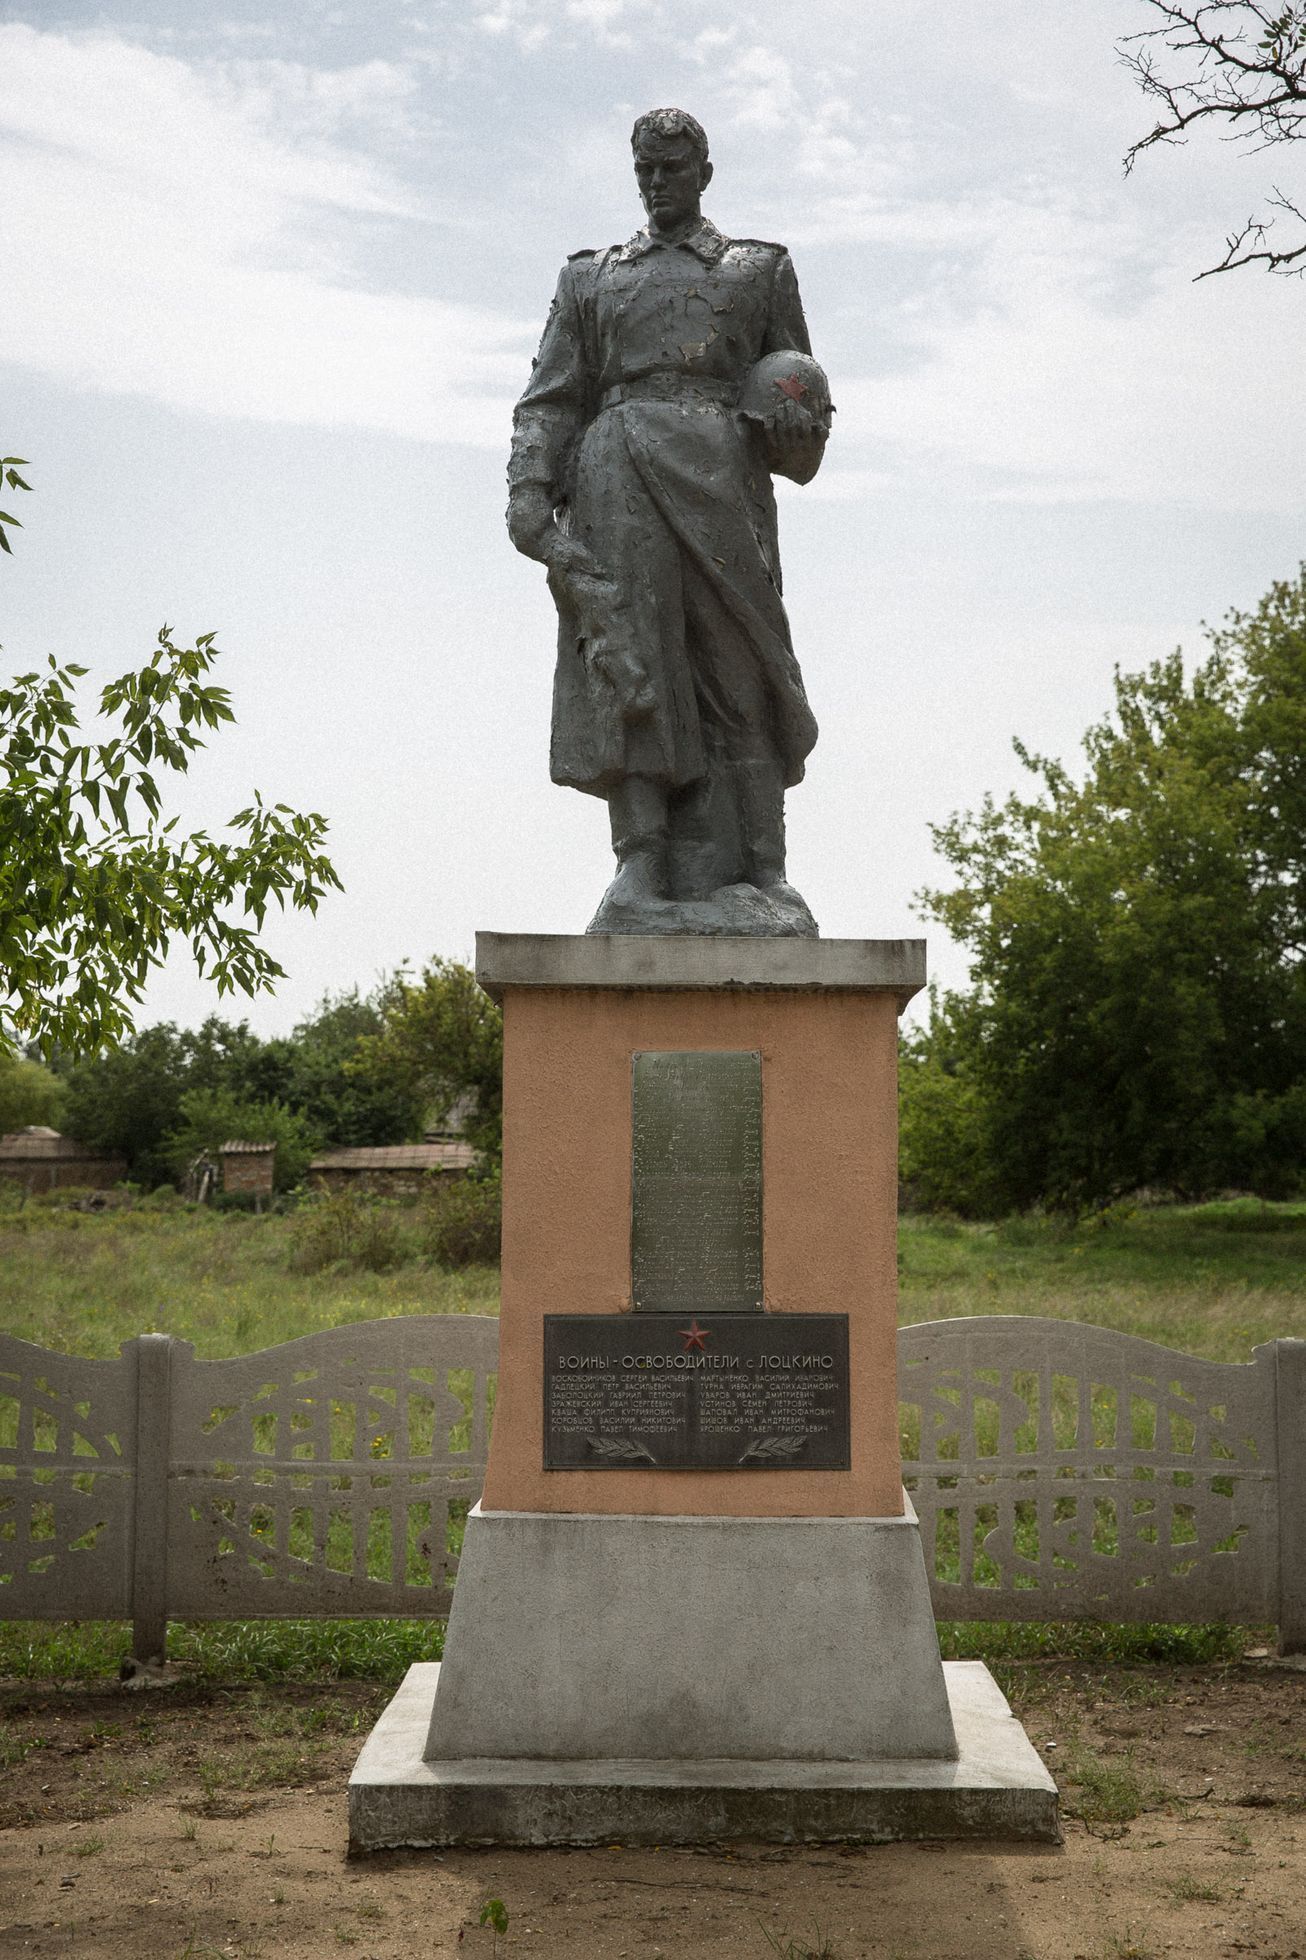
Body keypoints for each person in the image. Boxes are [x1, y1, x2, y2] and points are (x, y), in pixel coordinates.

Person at [506, 107, 831, 934]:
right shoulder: (592, 278)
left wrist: (797, 430)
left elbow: (799, 399)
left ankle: (766, 868)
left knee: (742, 667)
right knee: (632, 664)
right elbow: (552, 396)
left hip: (724, 476)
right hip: (617, 473)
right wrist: (529, 485)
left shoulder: (757, 270)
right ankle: (640, 869)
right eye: (646, 170)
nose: (658, 184)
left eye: (674, 170)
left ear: (704, 174)